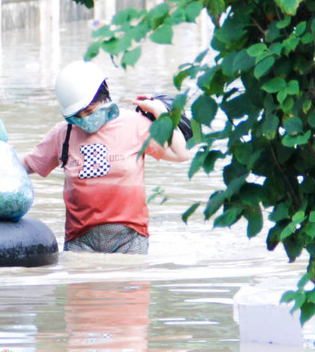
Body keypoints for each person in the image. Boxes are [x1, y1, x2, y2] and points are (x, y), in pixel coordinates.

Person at [21, 60, 192, 254]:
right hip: (80, 239)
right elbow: (28, 164)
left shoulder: (135, 124)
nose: (85, 119)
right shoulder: (63, 133)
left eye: (89, 111)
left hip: (130, 237)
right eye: (77, 115)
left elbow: (181, 153)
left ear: (104, 98)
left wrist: (161, 113)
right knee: (83, 285)